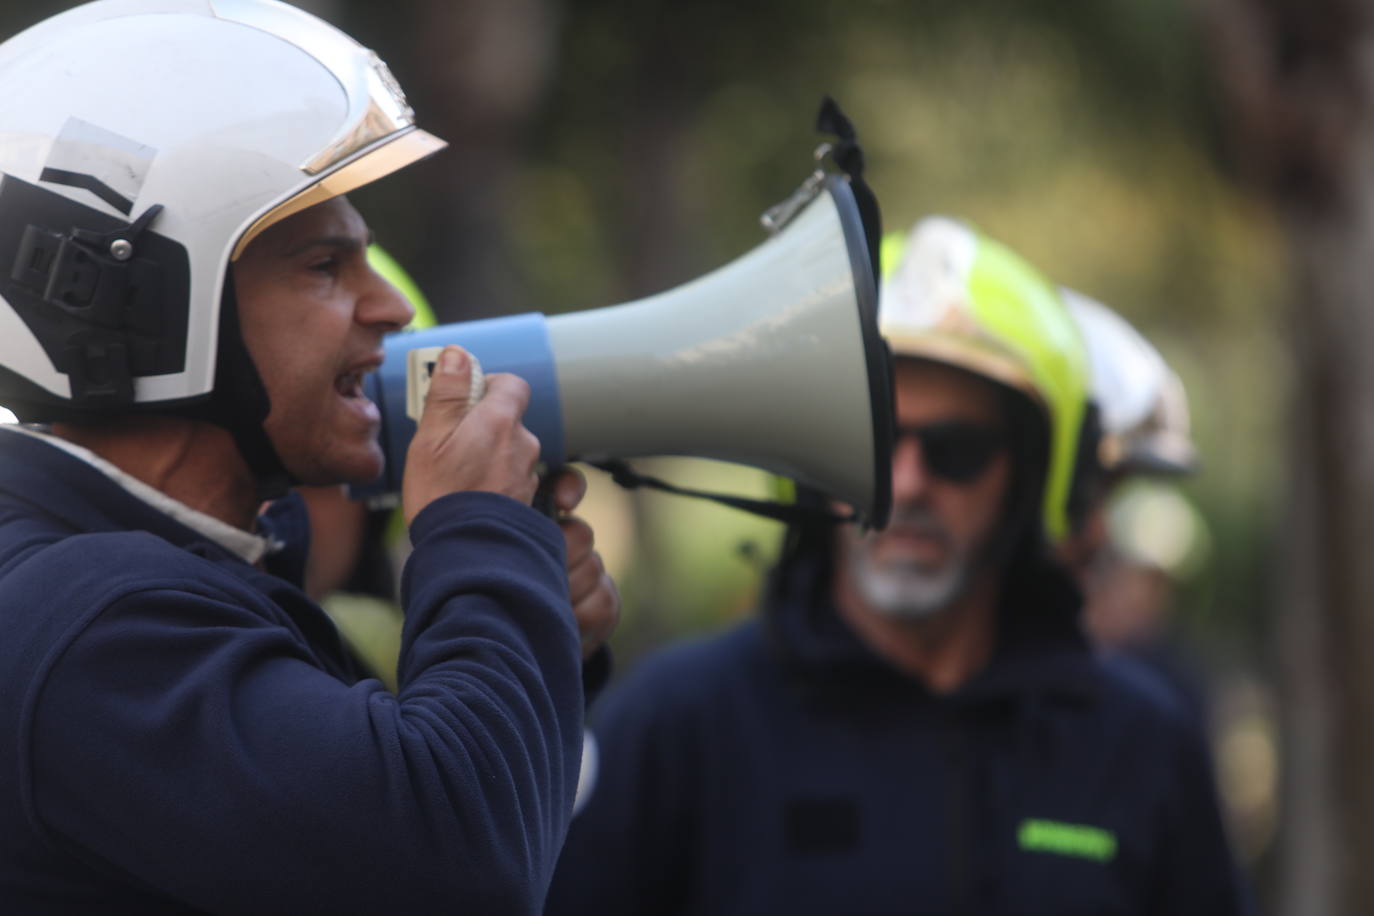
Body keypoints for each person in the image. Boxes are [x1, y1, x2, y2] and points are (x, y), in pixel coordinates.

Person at [0, 2, 617, 913]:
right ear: (150, 308)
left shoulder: (155, 577)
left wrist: (520, 629)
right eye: (326, 267)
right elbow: (461, 869)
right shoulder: (92, 624)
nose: (391, 308)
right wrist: (478, 537)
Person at [545, 216, 1249, 915]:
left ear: (1029, 481)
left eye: (957, 451)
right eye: (874, 444)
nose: (908, 485)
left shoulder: (1143, 741)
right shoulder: (678, 724)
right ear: (812, 465)